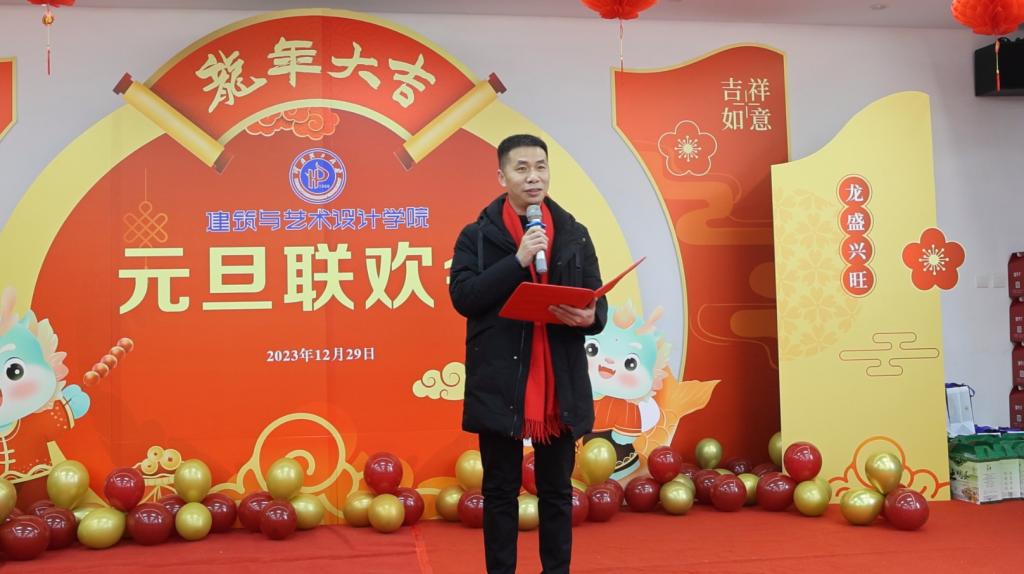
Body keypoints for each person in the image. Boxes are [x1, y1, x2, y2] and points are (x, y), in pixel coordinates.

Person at [449, 134, 608, 574]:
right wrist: (517, 261)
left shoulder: (574, 233)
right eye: (521, 168)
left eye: (540, 167)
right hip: (501, 380)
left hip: (559, 381)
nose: (533, 177)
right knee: (500, 491)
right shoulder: (477, 236)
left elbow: (596, 300)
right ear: (502, 177)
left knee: (557, 491)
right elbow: (464, 297)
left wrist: (591, 316)